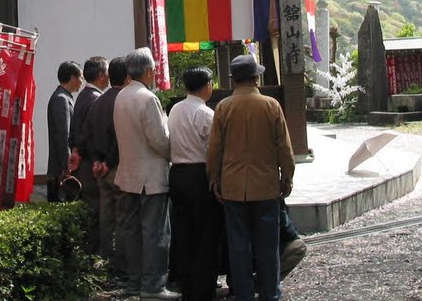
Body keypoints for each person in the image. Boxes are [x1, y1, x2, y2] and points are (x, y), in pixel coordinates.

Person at [207, 54, 294, 301]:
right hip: (266, 185)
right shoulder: (271, 105)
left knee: (238, 245)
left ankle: (243, 294)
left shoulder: (223, 107)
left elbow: (214, 148)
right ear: (256, 78)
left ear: (234, 80)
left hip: (233, 187)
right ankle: (269, 293)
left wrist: (213, 178)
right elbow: (284, 147)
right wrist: (286, 177)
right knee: (268, 245)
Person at [113, 47, 179, 301]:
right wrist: (173, 153)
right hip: (150, 177)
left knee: (131, 233)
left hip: (127, 174)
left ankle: (134, 283)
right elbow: (160, 140)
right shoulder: (147, 98)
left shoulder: (121, 96)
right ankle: (152, 286)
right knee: (155, 233)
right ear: (149, 70)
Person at [167, 67, 224, 301]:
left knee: (183, 230)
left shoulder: (176, 109)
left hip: (178, 173)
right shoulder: (206, 113)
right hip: (198, 174)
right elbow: (214, 149)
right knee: (206, 232)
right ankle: (204, 286)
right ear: (207, 85)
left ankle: (185, 281)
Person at [84, 56, 129, 282]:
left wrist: (96, 162)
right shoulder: (122, 101)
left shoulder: (98, 101)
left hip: (99, 168)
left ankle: (105, 260)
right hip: (117, 167)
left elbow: (88, 135)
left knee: (106, 216)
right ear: (128, 76)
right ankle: (120, 267)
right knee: (122, 218)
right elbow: (120, 138)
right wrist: (108, 163)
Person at [70, 56, 109, 251]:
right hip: (90, 165)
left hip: (82, 162)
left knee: (90, 211)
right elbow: (91, 134)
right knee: (96, 213)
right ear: (102, 75)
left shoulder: (83, 96)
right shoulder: (95, 98)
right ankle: (95, 256)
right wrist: (97, 160)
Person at [46, 60, 83, 203]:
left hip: (60, 167)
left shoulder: (64, 97)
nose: (81, 81)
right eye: (80, 77)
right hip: (59, 170)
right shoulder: (61, 99)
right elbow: (63, 135)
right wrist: (66, 166)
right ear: (73, 77)